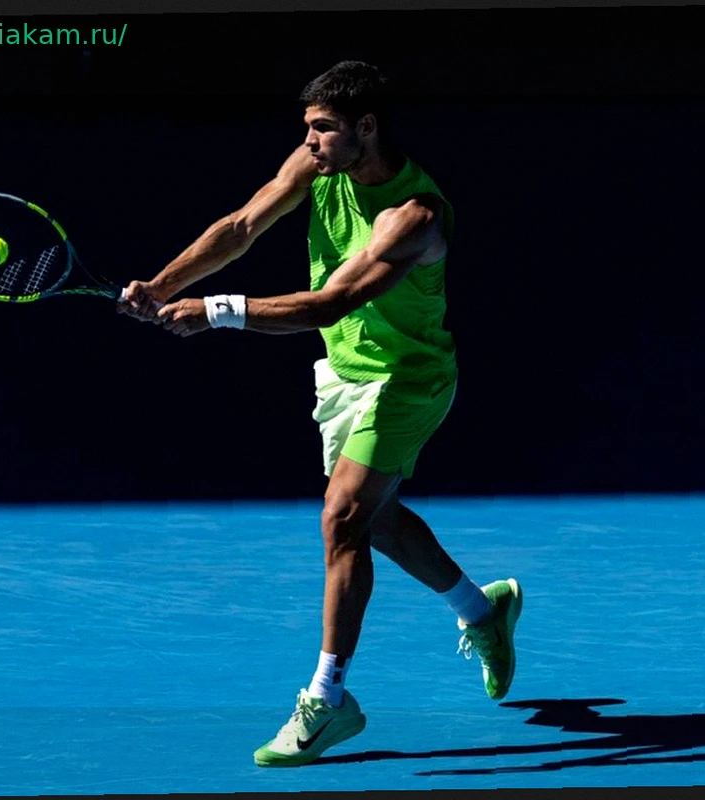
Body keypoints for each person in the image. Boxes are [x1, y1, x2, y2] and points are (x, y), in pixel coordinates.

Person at [117, 60, 522, 768]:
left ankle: (328, 700)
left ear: (367, 128)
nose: (308, 141)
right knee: (376, 521)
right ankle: (481, 612)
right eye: (306, 128)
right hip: (344, 374)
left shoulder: (415, 217)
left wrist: (215, 312)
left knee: (341, 519)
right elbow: (242, 224)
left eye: (323, 129)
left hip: (408, 380)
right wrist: (162, 284)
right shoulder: (317, 164)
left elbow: (330, 304)